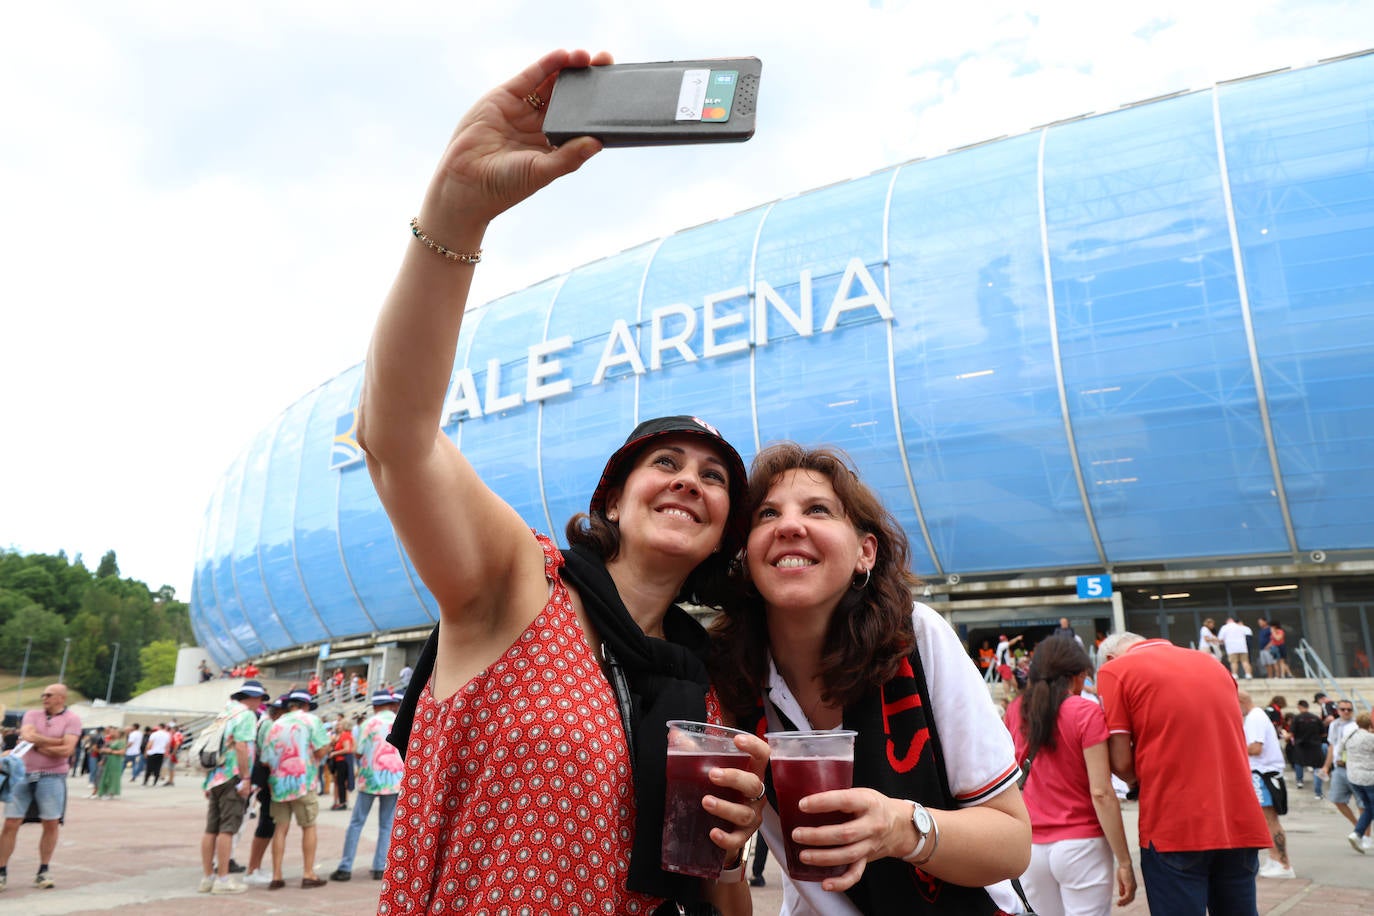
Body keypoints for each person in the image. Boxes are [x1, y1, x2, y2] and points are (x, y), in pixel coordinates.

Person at [362, 48, 768, 916]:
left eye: (712, 478)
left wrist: (731, 855)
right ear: (612, 499)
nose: (688, 482)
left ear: (723, 535)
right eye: (665, 464)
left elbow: (711, 899)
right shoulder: (522, 585)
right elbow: (396, 440)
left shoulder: (702, 689)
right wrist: (457, 211)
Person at [710, 443, 1031, 914]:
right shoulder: (730, 680)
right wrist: (727, 850)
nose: (789, 525)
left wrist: (901, 828)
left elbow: (1012, 844)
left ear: (865, 552)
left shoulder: (916, 637)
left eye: (818, 510)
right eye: (767, 514)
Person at [1095, 633, 1270, 914]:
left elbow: (1121, 760)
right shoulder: (1213, 664)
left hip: (1175, 823)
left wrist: (1135, 780)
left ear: (1109, 658)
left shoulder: (1115, 670)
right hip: (1238, 821)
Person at [1002, 637, 1135, 914]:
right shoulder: (1085, 711)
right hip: (1082, 843)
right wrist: (1124, 861)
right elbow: (1101, 792)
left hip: (1032, 846)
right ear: (1075, 676)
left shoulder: (1016, 711)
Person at [0, 684, 81, 891]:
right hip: (23, 774)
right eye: (43, 694)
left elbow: (67, 750)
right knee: (11, 822)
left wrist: (38, 743)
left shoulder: (72, 719)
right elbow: (27, 735)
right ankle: (1, 870)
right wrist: (56, 742)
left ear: (61, 698)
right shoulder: (32, 714)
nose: (44, 697)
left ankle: (43, 870)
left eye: (49, 695)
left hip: (53, 776)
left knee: (51, 822)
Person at [199, 679, 268, 895]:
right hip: (232, 776)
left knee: (211, 829)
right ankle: (223, 878)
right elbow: (241, 746)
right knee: (227, 829)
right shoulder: (246, 715)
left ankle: (208, 877)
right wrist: (246, 778)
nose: (260, 703)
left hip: (216, 776)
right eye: (260, 699)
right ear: (253, 698)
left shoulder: (225, 713)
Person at [331, 690, 404, 882]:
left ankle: (345, 867)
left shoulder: (368, 724)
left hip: (369, 778)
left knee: (356, 823)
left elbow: (359, 751)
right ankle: (380, 867)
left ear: (375, 706)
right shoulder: (400, 720)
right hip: (393, 780)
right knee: (387, 825)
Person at [261, 690, 330, 890]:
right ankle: (308, 873)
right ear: (306, 705)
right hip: (303, 782)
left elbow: (265, 759)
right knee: (308, 826)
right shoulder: (311, 721)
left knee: (280, 828)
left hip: (279, 785)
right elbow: (320, 750)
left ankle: (276, 875)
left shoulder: (275, 724)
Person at [1239, 690, 1294, 878]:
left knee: (1269, 819)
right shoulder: (1256, 716)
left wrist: (1233, 747)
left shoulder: (1254, 718)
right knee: (1266, 819)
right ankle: (1275, 858)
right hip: (1263, 773)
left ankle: (1283, 864)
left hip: (1263, 773)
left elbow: (1255, 748)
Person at [243, 694, 289, 887]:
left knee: (267, 823)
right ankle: (253, 868)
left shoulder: (265, 723)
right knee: (266, 823)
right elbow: (269, 756)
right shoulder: (271, 725)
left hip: (264, 779)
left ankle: (255, 867)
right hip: (268, 780)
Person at [1319, 699, 1371, 844]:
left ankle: (1366, 836)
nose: (1346, 712)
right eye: (1343, 709)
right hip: (1339, 767)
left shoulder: (1356, 726)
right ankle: (1358, 828)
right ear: (1338, 710)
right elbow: (1332, 746)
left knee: (1362, 804)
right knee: (1337, 799)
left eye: (1349, 709)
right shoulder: (1334, 725)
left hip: (1355, 767)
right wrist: (1326, 766)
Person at [1339, 712, 1374, 853]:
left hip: (1353, 777)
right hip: (1369, 777)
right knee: (1370, 808)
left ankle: (1357, 833)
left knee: (1369, 807)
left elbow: (1340, 750)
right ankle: (1358, 833)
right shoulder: (1370, 738)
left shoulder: (1349, 736)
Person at [1289, 700, 1325, 792]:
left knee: (1298, 763)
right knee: (1318, 765)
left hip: (1300, 745)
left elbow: (1292, 733)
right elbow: (1323, 733)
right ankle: (1318, 789)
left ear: (1300, 707)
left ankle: (1299, 781)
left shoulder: (1297, 718)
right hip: (1315, 745)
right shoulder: (1316, 718)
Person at [327, 714, 354, 810]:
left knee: (341, 783)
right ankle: (340, 802)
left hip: (342, 761)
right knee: (339, 782)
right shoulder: (339, 736)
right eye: (337, 725)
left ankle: (343, 802)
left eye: (340, 725)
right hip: (338, 761)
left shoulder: (345, 735)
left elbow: (347, 749)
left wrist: (334, 753)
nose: (338, 727)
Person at [96, 727, 126, 799]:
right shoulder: (112, 740)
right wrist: (105, 750)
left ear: (119, 734)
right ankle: (105, 792)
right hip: (109, 760)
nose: (114, 733)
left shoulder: (121, 741)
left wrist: (111, 751)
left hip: (116, 761)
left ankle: (111, 793)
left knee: (113, 776)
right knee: (107, 775)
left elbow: (122, 752)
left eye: (116, 732)